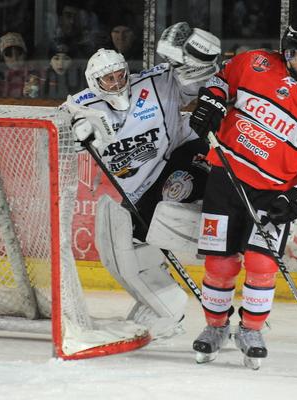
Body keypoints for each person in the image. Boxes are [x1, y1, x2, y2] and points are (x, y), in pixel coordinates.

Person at [187, 23, 297, 368]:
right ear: (287, 52)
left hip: (273, 195)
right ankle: (215, 328)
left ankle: (251, 329)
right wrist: (212, 101)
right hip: (226, 178)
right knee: (220, 262)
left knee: (261, 264)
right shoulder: (254, 62)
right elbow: (221, 78)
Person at [64, 22, 221, 339]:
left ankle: (217, 245)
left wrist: (196, 58)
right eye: (109, 79)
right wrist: (74, 132)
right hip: (139, 190)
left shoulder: (154, 82)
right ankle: (165, 301)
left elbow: (200, 81)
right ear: (95, 82)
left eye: (120, 74)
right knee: (128, 247)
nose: (118, 82)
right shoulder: (81, 106)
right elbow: (59, 128)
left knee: (175, 200)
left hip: (181, 156)